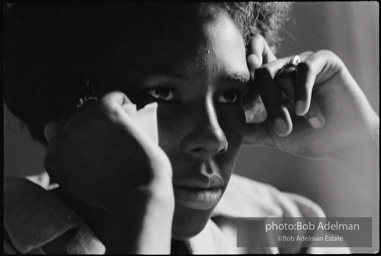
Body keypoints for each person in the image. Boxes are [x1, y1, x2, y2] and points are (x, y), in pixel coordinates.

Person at [4, 2, 379, 254]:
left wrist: (363, 144)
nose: (215, 137)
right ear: (75, 107)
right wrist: (143, 205)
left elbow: (359, 235)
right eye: (164, 93)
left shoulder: (279, 225)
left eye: (231, 96)